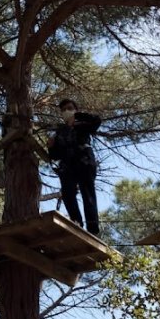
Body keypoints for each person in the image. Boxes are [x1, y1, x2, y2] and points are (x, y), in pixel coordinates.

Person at [47, 99, 102, 234]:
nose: (67, 111)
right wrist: (51, 146)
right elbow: (55, 155)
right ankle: (76, 223)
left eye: (70, 108)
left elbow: (97, 121)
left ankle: (92, 229)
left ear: (75, 109)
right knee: (67, 194)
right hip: (67, 166)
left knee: (87, 194)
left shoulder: (82, 124)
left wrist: (77, 116)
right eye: (64, 109)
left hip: (84, 161)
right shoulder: (60, 131)